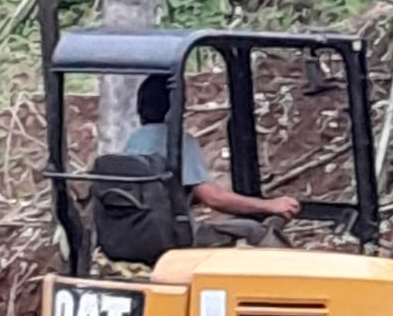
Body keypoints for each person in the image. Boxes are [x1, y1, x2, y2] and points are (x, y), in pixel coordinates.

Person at [125, 74, 300, 228]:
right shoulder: (178, 141)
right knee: (251, 230)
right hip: (170, 234)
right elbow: (213, 198)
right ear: (176, 106)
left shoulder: (134, 140)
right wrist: (270, 206)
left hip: (139, 229)